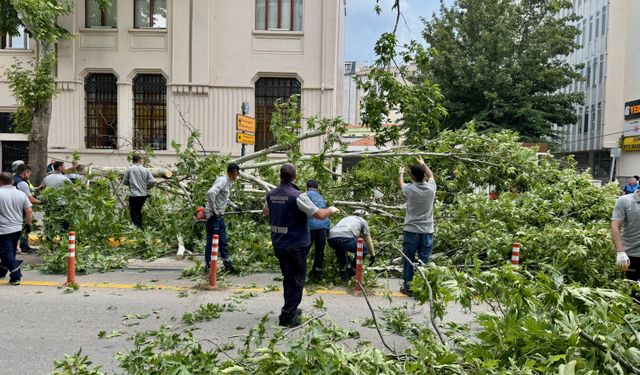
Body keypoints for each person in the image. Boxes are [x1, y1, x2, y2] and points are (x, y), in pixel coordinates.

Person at [263, 164, 339, 327]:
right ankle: (288, 315)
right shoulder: (298, 196)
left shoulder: (271, 195)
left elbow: (266, 212)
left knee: (288, 278)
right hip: (296, 244)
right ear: (294, 177)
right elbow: (319, 214)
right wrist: (332, 209)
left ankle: (289, 307)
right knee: (297, 280)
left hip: (279, 243)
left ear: (280, 176)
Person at [398, 157, 436, 297]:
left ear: (413, 177)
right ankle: (421, 286)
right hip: (427, 231)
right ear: (422, 175)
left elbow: (401, 184)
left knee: (408, 258)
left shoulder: (410, 189)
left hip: (411, 230)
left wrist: (401, 173)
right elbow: (431, 175)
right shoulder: (431, 188)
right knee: (424, 260)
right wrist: (423, 163)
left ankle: (408, 286)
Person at [204, 162, 240, 274]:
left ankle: (227, 266)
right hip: (213, 217)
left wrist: (235, 206)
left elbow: (224, 199)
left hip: (220, 217)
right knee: (212, 241)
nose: (237, 176)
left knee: (223, 241)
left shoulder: (228, 183)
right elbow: (211, 193)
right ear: (233, 172)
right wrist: (214, 210)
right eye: (237, 174)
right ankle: (209, 265)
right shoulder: (223, 180)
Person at [0, 172, 33, 285]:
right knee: (10, 251)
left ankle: (16, 275)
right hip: (17, 228)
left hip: (3, 230)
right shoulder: (20, 194)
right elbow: (29, 210)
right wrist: (28, 225)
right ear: (13, 181)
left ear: (0, 181)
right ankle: (2, 271)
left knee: (5, 253)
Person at [327, 215, 376, 280]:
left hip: (331, 239)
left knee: (341, 249)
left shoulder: (345, 218)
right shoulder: (363, 221)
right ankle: (351, 271)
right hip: (345, 238)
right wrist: (373, 255)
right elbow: (368, 240)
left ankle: (342, 270)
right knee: (363, 249)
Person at [611, 188, 640, 294]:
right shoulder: (625, 201)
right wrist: (620, 251)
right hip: (631, 255)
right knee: (633, 293)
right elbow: (615, 225)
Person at [122, 155, 156, 229]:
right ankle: (140, 228)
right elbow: (153, 181)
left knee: (133, 213)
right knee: (138, 211)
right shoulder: (146, 170)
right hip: (143, 195)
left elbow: (124, 182)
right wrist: (147, 187)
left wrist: (131, 184)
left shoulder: (129, 169)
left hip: (134, 195)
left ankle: (138, 229)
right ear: (140, 161)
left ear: (133, 161)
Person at [306, 179, 331, 279]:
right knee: (320, 250)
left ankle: (300, 272)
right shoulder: (321, 197)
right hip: (323, 226)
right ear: (317, 188)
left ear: (307, 187)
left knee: (305, 249)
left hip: (311, 226)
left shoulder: (305, 195)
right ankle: (317, 272)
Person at [14, 164, 39, 253]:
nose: (29, 176)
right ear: (25, 173)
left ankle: (15, 247)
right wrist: (41, 202)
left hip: (12, 207)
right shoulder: (22, 183)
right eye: (29, 174)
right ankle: (24, 247)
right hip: (21, 209)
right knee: (25, 227)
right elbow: (30, 199)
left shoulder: (13, 179)